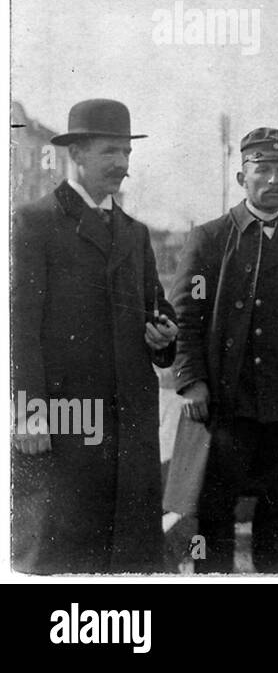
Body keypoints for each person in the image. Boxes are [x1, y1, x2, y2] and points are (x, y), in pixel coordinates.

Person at [167, 128, 278, 573]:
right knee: (214, 510)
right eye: (261, 169)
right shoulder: (210, 240)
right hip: (229, 401)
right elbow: (186, 318)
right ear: (241, 176)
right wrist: (192, 382)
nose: (272, 180)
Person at [11, 98, 178, 573]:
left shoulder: (134, 233)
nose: (122, 165)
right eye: (110, 152)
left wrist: (164, 338)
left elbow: (157, 313)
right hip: (66, 422)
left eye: (127, 153)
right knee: (61, 550)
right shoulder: (34, 223)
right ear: (77, 154)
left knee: (126, 555)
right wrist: (28, 416)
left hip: (129, 423)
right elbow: (19, 330)